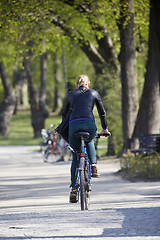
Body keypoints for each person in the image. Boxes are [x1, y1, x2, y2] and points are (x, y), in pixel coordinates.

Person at [61, 74, 110, 202]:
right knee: (90, 140)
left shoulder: (70, 94)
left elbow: (64, 114)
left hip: (73, 126)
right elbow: (102, 112)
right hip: (89, 124)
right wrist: (104, 129)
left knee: (75, 156)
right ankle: (94, 165)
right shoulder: (94, 93)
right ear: (88, 84)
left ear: (77, 85)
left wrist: (68, 129)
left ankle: (73, 189)